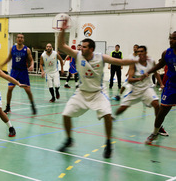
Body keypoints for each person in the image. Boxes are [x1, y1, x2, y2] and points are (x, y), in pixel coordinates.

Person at [57, 21, 137, 158]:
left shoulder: (101, 58)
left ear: (91, 49)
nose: (81, 49)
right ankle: (69, 140)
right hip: (81, 93)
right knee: (66, 114)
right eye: (81, 46)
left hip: (98, 93)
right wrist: (63, 30)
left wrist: (137, 60)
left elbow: (121, 62)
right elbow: (61, 46)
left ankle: (108, 143)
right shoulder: (78, 55)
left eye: (85, 47)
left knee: (107, 114)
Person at [115, 46, 168, 136]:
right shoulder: (134, 63)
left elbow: (156, 73)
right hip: (135, 89)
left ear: (146, 53)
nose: (139, 53)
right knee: (123, 108)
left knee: (156, 104)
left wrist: (161, 84)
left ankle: (159, 127)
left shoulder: (151, 61)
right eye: (138, 52)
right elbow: (129, 79)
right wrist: (139, 79)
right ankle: (113, 117)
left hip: (147, 88)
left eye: (141, 51)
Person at [143, 31, 176, 144]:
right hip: (171, 86)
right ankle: (155, 132)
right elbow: (160, 64)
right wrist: (148, 71)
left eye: (174, 39)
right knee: (162, 112)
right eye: (170, 38)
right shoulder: (166, 53)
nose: (171, 40)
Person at [0, 33, 37, 115]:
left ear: (23, 39)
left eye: (21, 38)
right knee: (9, 89)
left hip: (23, 72)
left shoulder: (27, 49)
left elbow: (31, 60)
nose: (20, 39)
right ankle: (8, 107)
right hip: (14, 71)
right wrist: (2, 65)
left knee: (28, 91)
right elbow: (9, 58)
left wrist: (32, 65)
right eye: (18, 37)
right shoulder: (12, 48)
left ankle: (33, 105)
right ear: (16, 39)